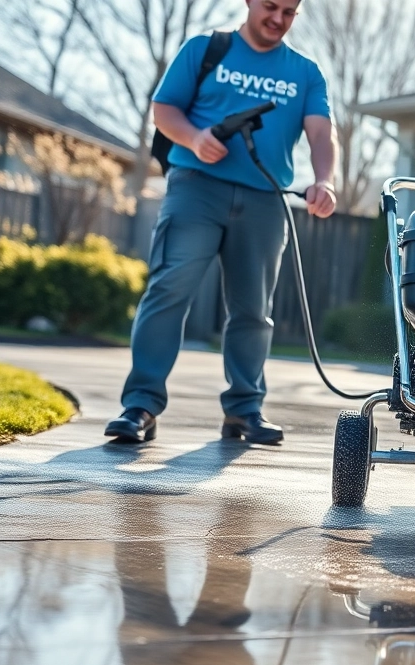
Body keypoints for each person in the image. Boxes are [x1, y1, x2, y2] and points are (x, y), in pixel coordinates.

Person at [105, 0, 337, 445]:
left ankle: (244, 411)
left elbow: (322, 133)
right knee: (169, 289)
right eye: (270, 6)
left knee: (253, 309)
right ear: (250, 2)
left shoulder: (305, 72)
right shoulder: (205, 49)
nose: (278, 18)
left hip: (265, 201)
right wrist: (195, 138)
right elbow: (165, 109)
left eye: (289, 12)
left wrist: (324, 181)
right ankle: (140, 406)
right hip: (196, 188)